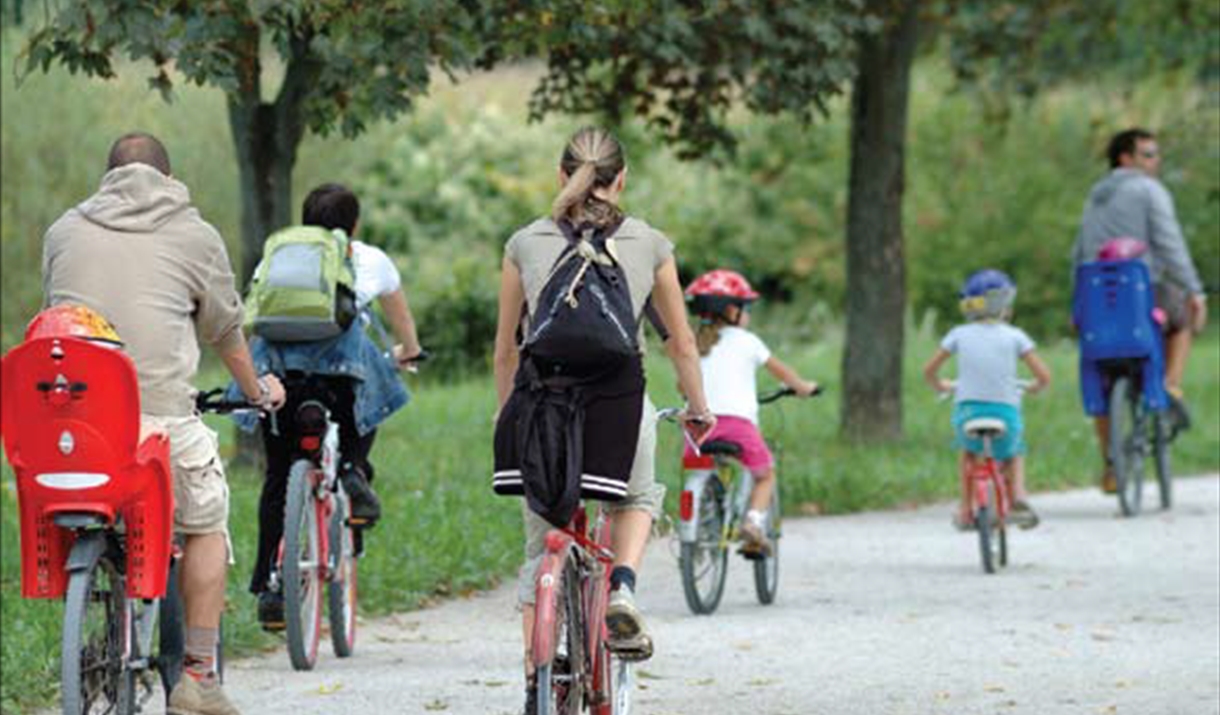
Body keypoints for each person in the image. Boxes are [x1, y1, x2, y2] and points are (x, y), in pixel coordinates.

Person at [42, 132, 286, 715]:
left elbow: (55, 317)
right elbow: (225, 331)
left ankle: (95, 621)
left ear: (108, 179)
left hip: (68, 427)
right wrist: (257, 392)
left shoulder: (63, 231)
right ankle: (197, 678)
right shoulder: (195, 236)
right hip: (157, 426)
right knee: (205, 523)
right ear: (170, 179)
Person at [491, 126, 713, 712]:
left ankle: (538, 673)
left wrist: (506, 414)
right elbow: (682, 344)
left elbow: (507, 351)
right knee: (635, 496)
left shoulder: (525, 242)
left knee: (542, 547)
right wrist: (699, 409)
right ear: (622, 179)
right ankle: (623, 587)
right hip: (618, 399)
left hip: (541, 401)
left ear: (562, 175)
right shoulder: (649, 242)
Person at [240, 183, 424, 630]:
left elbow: (251, 316)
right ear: (354, 225)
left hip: (279, 374)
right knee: (371, 398)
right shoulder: (370, 258)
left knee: (279, 475)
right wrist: (410, 351)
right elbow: (401, 319)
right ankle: (353, 472)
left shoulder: (277, 257)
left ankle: (269, 582)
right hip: (340, 375)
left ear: (304, 221)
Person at [1071, 128, 1208, 492]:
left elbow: (1078, 251)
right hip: (1141, 292)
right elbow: (1169, 243)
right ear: (1125, 158)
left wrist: (1078, 301)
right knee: (1181, 318)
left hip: (1096, 296)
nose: (1155, 161)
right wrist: (1195, 289)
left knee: (1099, 373)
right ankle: (1171, 386)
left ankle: (1111, 463)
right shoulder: (1149, 190)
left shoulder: (1095, 194)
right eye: (1147, 154)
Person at [682, 268, 819, 554]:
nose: (748, 315)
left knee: (704, 466)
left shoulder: (691, 343)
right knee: (765, 475)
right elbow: (785, 374)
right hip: (737, 426)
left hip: (696, 428)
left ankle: (704, 518)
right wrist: (804, 387)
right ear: (733, 311)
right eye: (746, 308)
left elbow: (683, 387)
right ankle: (753, 523)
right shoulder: (749, 341)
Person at [923, 269, 1051, 531]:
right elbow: (1043, 376)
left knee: (968, 451)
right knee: (1015, 451)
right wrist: (1036, 387)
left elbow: (929, 371)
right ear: (1004, 304)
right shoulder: (1016, 336)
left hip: (967, 414)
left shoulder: (958, 334)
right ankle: (1018, 497)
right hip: (1005, 414)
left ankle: (965, 507)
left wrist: (940, 385)